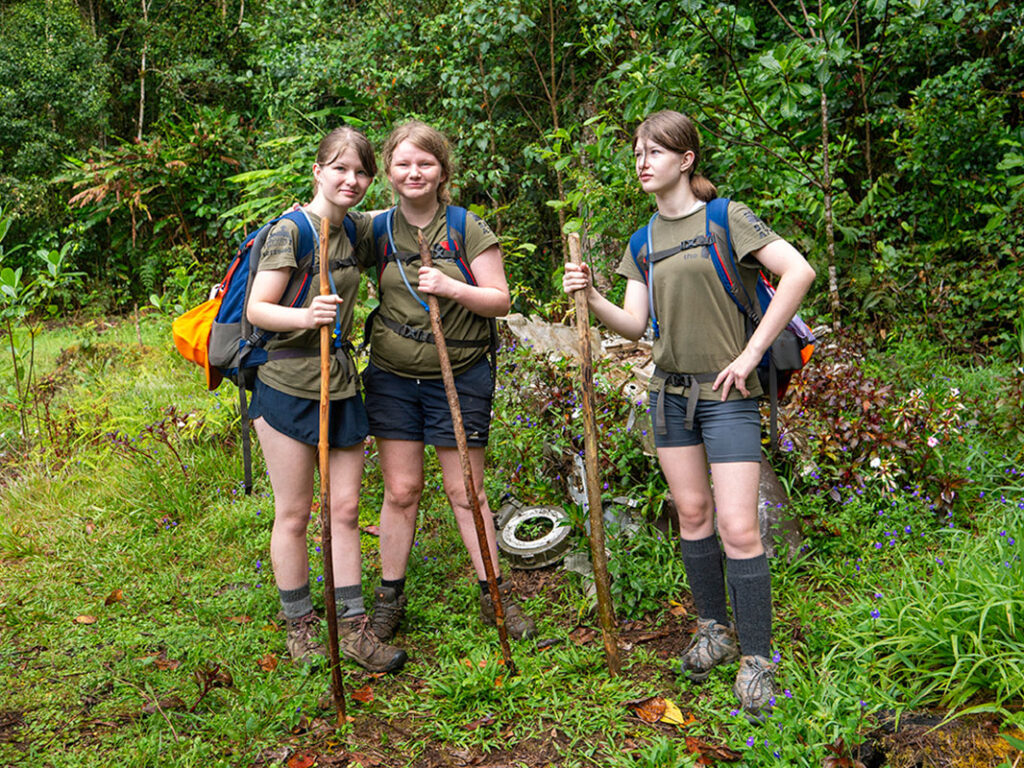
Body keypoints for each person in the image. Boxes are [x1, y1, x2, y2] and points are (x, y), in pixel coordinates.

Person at [562, 110, 815, 720]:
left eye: (654, 151)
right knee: (693, 514)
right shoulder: (643, 239)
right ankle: (714, 631)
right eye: (638, 153)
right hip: (669, 393)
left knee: (738, 526)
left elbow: (798, 271)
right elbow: (634, 323)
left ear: (686, 159)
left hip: (728, 394)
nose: (642, 162)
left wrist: (752, 353)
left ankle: (757, 659)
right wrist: (591, 295)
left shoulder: (728, 218)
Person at [361, 121, 536, 641]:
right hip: (392, 376)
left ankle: (494, 596)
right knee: (401, 490)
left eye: (425, 163)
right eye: (403, 163)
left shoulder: (465, 227)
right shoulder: (375, 229)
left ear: (442, 171)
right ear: (388, 172)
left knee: (466, 491)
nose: (414, 172)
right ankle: (389, 599)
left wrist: (452, 286)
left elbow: (500, 300)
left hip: (458, 374)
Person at [245, 126, 406, 673]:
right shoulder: (291, 231)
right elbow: (258, 309)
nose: (352, 180)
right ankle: (301, 626)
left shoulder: (355, 230)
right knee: (293, 512)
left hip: (340, 385)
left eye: (361, 172)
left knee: (344, 509)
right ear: (317, 172)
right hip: (287, 384)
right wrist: (305, 315)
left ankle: (355, 628)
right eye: (340, 168)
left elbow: (403, 218)